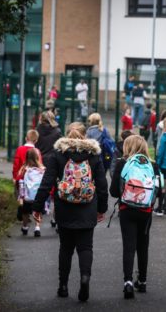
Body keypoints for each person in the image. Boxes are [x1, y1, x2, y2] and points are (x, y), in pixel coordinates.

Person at [32, 122, 108, 302]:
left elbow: (46, 183)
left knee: (65, 248)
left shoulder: (58, 155)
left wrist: (37, 208)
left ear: (67, 135)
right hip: (87, 208)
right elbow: (102, 186)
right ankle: (84, 278)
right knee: (85, 247)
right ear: (85, 135)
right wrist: (101, 209)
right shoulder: (94, 156)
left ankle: (63, 286)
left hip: (64, 208)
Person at [110, 135, 158, 299]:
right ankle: (142, 281)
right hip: (146, 211)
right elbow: (158, 190)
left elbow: (113, 192)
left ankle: (128, 282)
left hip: (127, 209)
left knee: (129, 245)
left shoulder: (123, 163)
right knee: (143, 245)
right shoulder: (153, 165)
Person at [13, 130, 42, 221]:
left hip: (21, 176)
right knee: (31, 195)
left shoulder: (20, 149)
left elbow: (16, 164)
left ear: (26, 138)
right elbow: (39, 164)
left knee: (21, 194)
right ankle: (30, 212)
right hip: (33, 178)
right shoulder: (37, 151)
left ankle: (22, 209)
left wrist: (14, 176)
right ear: (36, 140)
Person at [16, 148, 45, 237]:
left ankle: (25, 227)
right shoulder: (42, 168)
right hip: (38, 196)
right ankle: (37, 227)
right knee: (38, 211)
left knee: (25, 212)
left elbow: (18, 179)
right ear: (37, 157)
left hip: (27, 196)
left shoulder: (24, 168)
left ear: (26, 157)